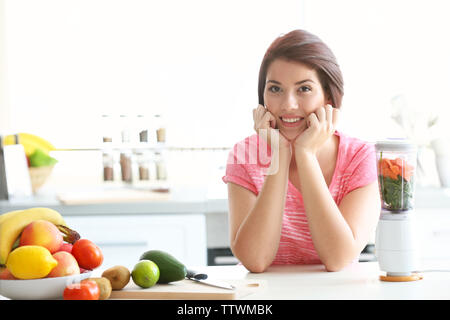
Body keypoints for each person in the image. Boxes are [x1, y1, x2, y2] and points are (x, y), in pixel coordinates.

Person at [222, 29, 381, 273]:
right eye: (275, 89)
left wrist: (305, 155)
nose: (288, 105)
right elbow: (255, 260)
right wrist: (281, 155)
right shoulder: (244, 155)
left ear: (328, 95)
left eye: (304, 89)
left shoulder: (359, 157)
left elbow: (337, 258)